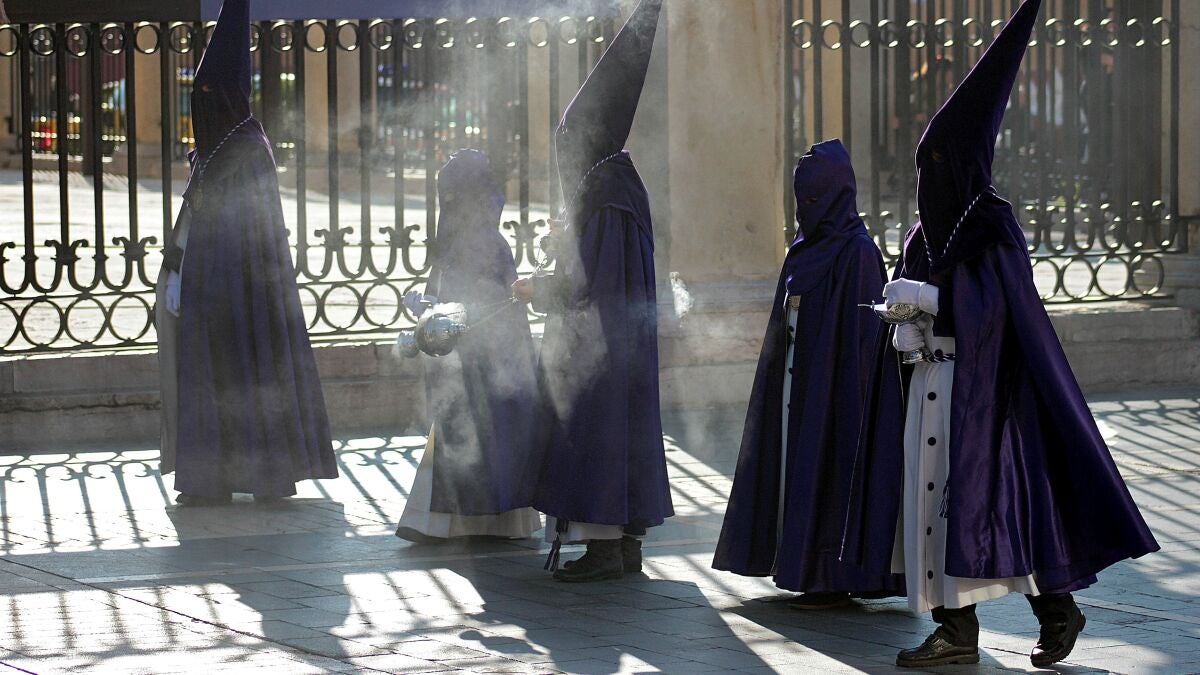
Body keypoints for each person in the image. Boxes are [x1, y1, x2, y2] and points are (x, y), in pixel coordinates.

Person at [854, 0, 1160, 667]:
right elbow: (920, 292)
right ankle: (957, 629)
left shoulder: (990, 224)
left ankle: (1054, 610)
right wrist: (905, 323)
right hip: (932, 381)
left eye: (937, 162)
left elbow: (995, 311)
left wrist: (928, 300)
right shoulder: (925, 231)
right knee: (933, 511)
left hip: (985, 393)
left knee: (990, 510)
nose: (927, 176)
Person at [511, 0, 672, 583]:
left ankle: (604, 548)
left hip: (599, 348)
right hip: (623, 343)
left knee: (598, 436)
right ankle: (624, 548)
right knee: (625, 434)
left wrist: (540, 288)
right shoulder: (617, 185)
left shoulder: (604, 194)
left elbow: (589, 285)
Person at [156, 0, 337, 505]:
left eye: (211, 95)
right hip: (205, 289)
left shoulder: (250, 149)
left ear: (231, 97)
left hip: (246, 296)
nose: (203, 105)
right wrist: (177, 270)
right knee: (208, 379)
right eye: (198, 95)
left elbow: (259, 234)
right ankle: (207, 479)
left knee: (250, 377)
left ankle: (264, 474)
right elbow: (192, 216)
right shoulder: (210, 150)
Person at [712, 140, 903, 609]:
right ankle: (795, 564)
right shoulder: (803, 248)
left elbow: (862, 342)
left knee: (830, 471)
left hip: (835, 392)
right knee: (791, 470)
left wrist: (840, 395)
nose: (808, 208)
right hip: (795, 383)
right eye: (802, 199)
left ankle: (831, 576)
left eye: (817, 199)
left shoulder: (857, 252)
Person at [394, 149, 542, 542]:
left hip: (489, 360)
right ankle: (459, 521)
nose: (448, 204)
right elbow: (449, 290)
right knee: (459, 430)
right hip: (463, 357)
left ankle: (469, 521)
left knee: (478, 430)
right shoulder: (456, 240)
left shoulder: (487, 242)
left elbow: (494, 302)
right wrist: (428, 306)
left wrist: (443, 311)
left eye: (453, 195)